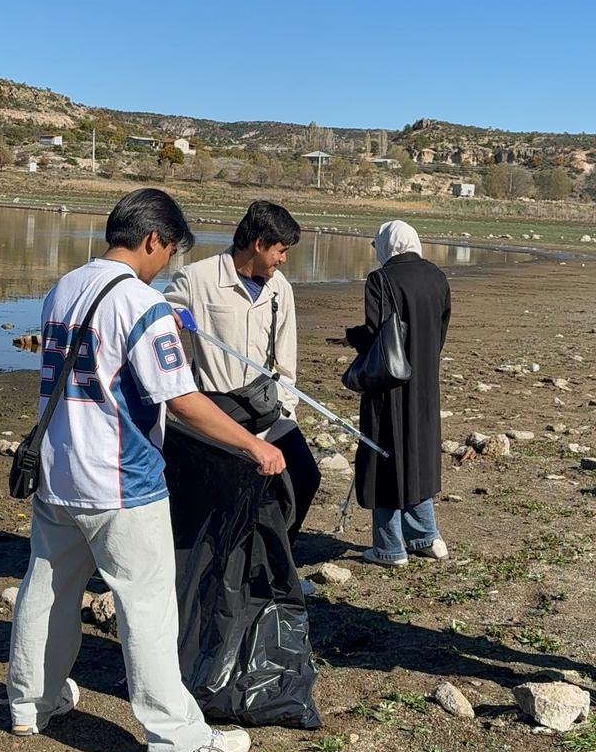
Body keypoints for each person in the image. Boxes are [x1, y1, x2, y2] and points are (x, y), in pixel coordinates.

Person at [6, 188, 286, 752]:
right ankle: (175, 737)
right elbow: (181, 399)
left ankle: (30, 702)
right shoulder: (141, 304)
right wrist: (252, 444)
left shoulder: (64, 287)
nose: (169, 264)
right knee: (149, 607)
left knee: (48, 591)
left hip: (58, 473)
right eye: (170, 252)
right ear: (154, 240)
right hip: (121, 483)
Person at [163, 200, 320, 543]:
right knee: (223, 500)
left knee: (304, 478)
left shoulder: (282, 289)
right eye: (280, 250)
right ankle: (221, 574)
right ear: (258, 244)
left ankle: (275, 562)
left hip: (269, 412)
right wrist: (168, 318)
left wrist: (285, 408)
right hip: (218, 412)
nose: (283, 259)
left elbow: (286, 362)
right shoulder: (195, 278)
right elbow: (159, 323)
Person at [346, 220, 451, 565]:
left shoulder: (381, 280)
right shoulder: (437, 276)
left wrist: (352, 338)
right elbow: (439, 329)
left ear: (387, 245)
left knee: (384, 456)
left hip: (389, 388)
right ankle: (425, 536)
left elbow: (378, 334)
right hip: (424, 383)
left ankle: (389, 547)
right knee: (418, 454)